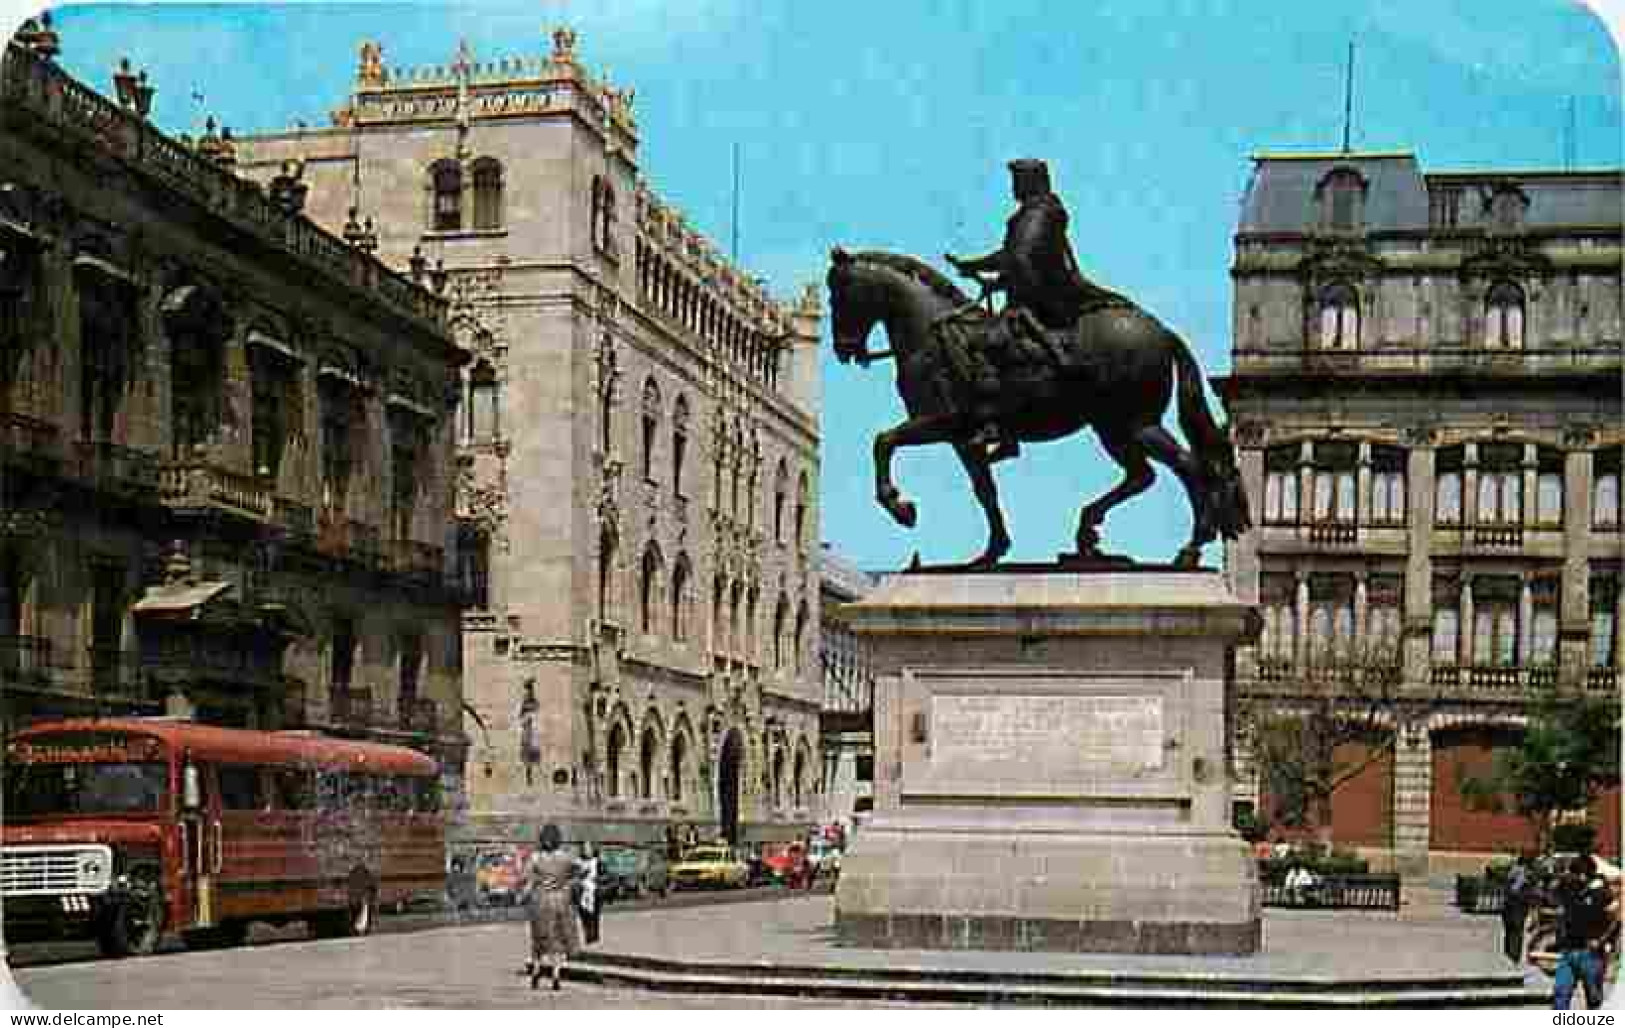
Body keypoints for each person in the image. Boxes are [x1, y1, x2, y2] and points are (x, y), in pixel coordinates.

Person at [945, 158, 1127, 458]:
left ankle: (995, 427)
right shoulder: (1036, 212)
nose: (1014, 187)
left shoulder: (1039, 213)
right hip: (1037, 290)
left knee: (984, 343)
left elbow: (1022, 258)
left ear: (1031, 181)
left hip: (1041, 297)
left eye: (1018, 180)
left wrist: (1004, 281)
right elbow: (1011, 255)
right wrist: (974, 265)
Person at [520, 823, 581, 991]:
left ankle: (536, 971)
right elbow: (581, 869)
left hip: (540, 901)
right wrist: (565, 881)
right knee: (559, 940)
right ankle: (556, 974)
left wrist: (525, 894)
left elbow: (526, 878)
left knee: (539, 939)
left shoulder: (535, 858)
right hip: (561, 900)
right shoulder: (565, 857)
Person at [1552, 854, 1614, 1009]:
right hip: (1568, 952)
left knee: (1593, 1000)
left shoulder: (1600, 894)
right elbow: (1553, 892)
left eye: (1574, 873)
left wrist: (1602, 940)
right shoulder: (1569, 890)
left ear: (1584, 875)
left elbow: (1616, 919)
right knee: (1560, 994)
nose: (1570, 877)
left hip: (1591, 954)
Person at [1502, 853, 1535, 965]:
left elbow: (1508, 888)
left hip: (1509, 904)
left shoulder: (1513, 870)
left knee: (1509, 930)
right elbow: (1516, 890)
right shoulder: (1523, 873)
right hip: (1518, 904)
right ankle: (1514, 956)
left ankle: (1508, 954)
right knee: (1517, 930)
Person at [577, 841, 602, 945]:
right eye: (584, 848)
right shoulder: (578, 862)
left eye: (588, 848)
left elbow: (607, 876)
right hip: (581, 892)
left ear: (593, 849)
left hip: (595, 891)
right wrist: (581, 874)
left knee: (594, 915)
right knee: (584, 915)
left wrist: (598, 879)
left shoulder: (598, 862)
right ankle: (588, 935)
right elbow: (573, 875)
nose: (585, 850)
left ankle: (594, 936)